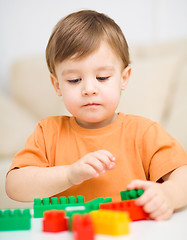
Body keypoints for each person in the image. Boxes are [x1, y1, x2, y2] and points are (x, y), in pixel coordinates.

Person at [6, 10, 187, 221]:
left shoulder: (145, 132)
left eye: (102, 77)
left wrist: (169, 194)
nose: (89, 89)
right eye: (74, 80)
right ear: (57, 85)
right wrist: (69, 174)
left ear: (124, 78)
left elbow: (183, 175)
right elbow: (14, 186)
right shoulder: (48, 132)